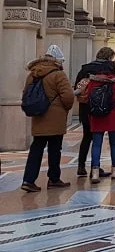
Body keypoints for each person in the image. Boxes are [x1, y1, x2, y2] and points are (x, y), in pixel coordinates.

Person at [21, 45, 76, 193]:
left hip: (39, 116)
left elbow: (26, 93)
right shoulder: (58, 74)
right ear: (58, 60)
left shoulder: (33, 73)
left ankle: (28, 180)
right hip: (55, 118)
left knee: (36, 148)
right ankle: (54, 178)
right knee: (54, 149)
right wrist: (64, 108)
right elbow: (68, 96)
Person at [74, 47, 115, 179]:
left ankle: (81, 166)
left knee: (87, 136)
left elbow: (77, 85)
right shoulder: (108, 68)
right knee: (99, 139)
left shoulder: (86, 68)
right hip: (103, 107)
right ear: (110, 57)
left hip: (86, 106)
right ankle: (96, 168)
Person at [86, 55, 115, 183]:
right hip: (113, 115)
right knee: (114, 144)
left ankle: (95, 172)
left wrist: (89, 116)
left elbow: (89, 100)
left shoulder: (93, 81)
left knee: (96, 145)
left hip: (97, 115)